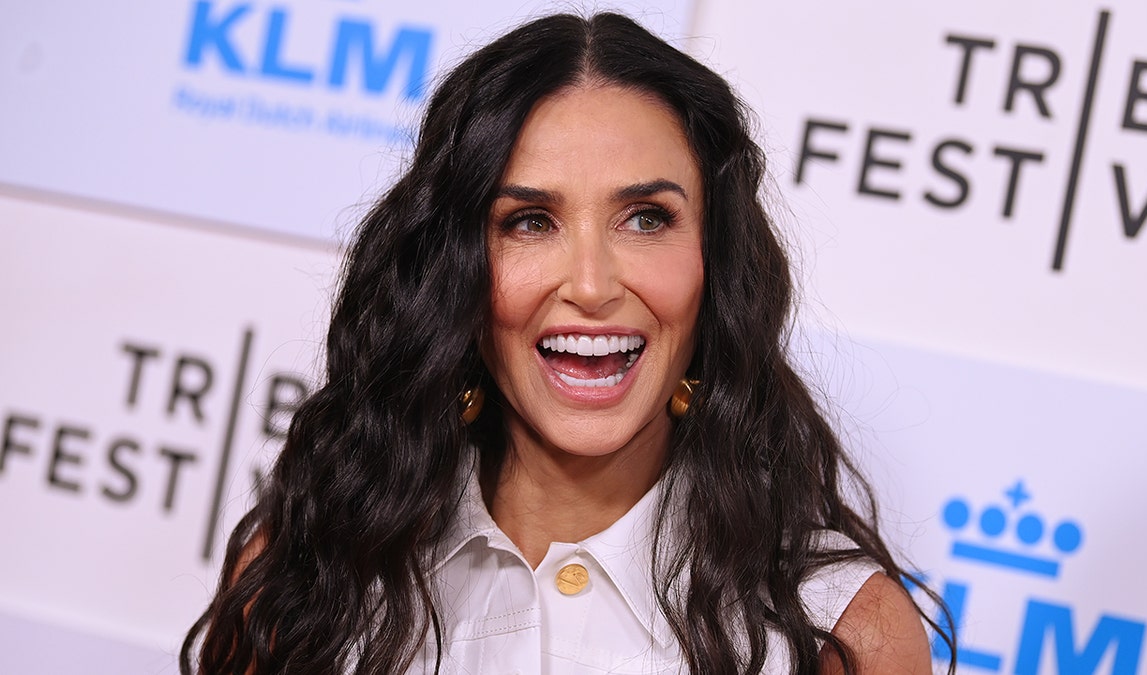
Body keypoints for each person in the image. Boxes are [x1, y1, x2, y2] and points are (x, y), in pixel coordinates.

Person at [182, 12, 951, 675]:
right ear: (456, 269)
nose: (591, 283)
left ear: (716, 265)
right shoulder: (313, 573)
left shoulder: (840, 633)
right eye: (529, 221)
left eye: (647, 217)